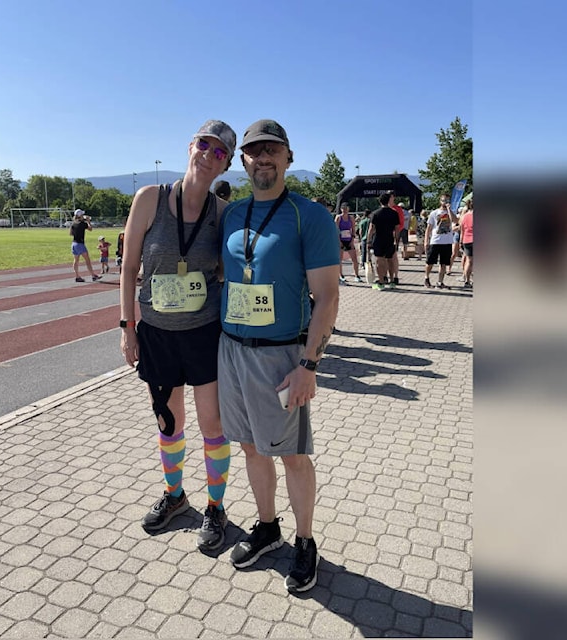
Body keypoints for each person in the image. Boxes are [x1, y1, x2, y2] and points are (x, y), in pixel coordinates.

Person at [220, 119, 340, 593]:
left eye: (273, 150)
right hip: (230, 350)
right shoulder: (231, 214)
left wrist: (309, 365)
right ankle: (267, 527)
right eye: (254, 151)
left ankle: (305, 541)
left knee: (291, 454)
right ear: (243, 161)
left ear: (289, 158)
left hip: (282, 356)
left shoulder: (308, 215)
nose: (263, 157)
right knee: (250, 447)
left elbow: (327, 298)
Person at [119, 119, 237, 553]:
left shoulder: (222, 214)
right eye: (204, 144)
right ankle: (175, 495)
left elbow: (226, 271)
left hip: (204, 334)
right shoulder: (149, 198)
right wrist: (127, 327)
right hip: (158, 335)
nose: (209, 154)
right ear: (190, 146)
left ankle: (215, 507)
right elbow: (130, 267)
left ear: (224, 166)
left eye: (220, 152)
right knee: (169, 423)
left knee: (213, 426)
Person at [367, 193, 400, 290]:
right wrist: (396, 240)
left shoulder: (375, 213)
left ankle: (381, 282)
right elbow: (397, 229)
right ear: (389, 200)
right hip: (389, 239)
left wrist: (368, 241)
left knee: (379, 261)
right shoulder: (394, 213)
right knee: (390, 260)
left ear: (380, 201)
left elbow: (371, 229)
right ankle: (392, 280)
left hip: (378, 239)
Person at [424, 195, 457, 289]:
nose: (445, 202)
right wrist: (426, 241)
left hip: (447, 241)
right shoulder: (434, 213)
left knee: (443, 263)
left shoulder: (450, 212)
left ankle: (440, 282)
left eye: (447, 200)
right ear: (440, 201)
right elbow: (428, 228)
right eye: (443, 200)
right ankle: (426, 278)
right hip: (436, 240)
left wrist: (449, 210)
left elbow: (455, 220)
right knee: (430, 262)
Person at [70, 210, 101, 282]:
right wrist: (88, 221)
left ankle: (77, 276)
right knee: (87, 260)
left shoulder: (73, 223)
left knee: (76, 260)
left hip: (74, 243)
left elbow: (71, 233)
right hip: (80, 244)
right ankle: (93, 275)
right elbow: (90, 229)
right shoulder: (82, 224)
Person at [335, 203, 361, 283]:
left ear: (348, 209)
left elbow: (353, 229)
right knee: (340, 258)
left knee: (354, 258)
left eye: (346, 208)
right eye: (343, 208)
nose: (345, 210)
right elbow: (336, 230)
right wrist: (339, 241)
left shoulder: (351, 218)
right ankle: (341, 275)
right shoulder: (338, 218)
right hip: (341, 239)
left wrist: (352, 241)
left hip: (349, 239)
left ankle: (357, 275)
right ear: (341, 209)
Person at [458, 197, 474, 288]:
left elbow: (462, 230)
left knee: (469, 261)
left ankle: (467, 281)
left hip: (466, 240)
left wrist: (460, 241)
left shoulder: (464, 216)